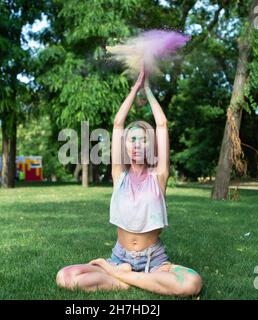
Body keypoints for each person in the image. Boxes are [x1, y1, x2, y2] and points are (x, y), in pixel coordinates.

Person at [56, 65, 202, 296]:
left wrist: (148, 89)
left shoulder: (158, 176)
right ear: (124, 145)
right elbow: (117, 124)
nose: (136, 145)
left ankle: (121, 276)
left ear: (150, 145)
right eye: (131, 140)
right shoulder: (119, 175)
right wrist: (135, 89)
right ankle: (132, 279)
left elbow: (162, 124)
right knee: (65, 276)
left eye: (142, 140)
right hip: (119, 256)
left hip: (154, 260)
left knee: (192, 284)